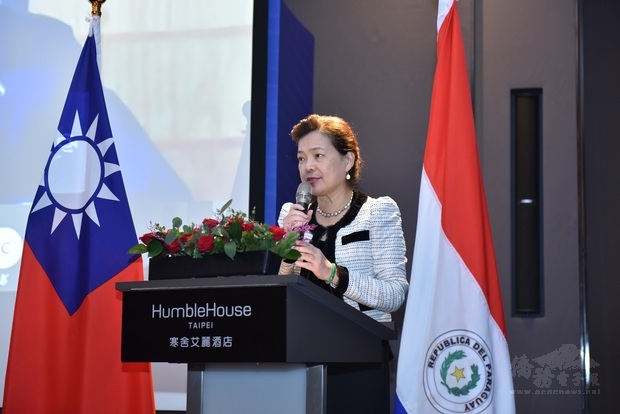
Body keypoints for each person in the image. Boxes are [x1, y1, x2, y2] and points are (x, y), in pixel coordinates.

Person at [278, 114, 409, 412]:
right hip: (299, 355)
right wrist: (286, 245)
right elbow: (281, 289)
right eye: (301, 158)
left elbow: (393, 294)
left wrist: (333, 273)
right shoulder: (291, 215)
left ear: (348, 160)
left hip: (358, 359)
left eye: (318, 155)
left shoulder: (378, 212)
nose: (308, 167)